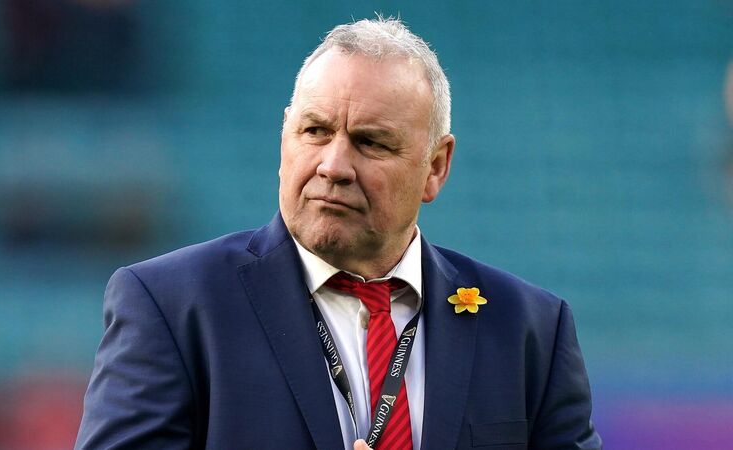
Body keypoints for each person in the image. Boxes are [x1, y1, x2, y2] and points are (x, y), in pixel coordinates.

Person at [75, 17, 602, 450]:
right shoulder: (173, 306)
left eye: (371, 143)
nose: (333, 165)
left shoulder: (529, 329)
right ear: (285, 136)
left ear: (436, 167)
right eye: (315, 131)